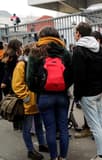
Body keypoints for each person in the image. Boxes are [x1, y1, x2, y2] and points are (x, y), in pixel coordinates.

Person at [29, 27, 72, 160]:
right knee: (64, 128)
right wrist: (64, 87)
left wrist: (40, 90)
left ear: (41, 37)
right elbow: (71, 75)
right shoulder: (64, 52)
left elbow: (29, 79)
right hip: (62, 96)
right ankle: (63, 157)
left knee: (50, 128)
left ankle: (53, 157)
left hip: (44, 96)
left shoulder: (35, 51)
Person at [73, 22, 102, 160]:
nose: (74, 35)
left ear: (79, 33)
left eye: (75, 32)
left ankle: (101, 156)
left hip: (87, 93)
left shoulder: (79, 50)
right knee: (100, 120)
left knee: (94, 125)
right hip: (99, 91)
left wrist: (77, 96)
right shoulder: (99, 48)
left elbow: (78, 76)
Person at [12, 43, 49, 160]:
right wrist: (26, 97)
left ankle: (42, 144)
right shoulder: (22, 64)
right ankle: (30, 150)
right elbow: (16, 85)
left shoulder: (34, 63)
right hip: (28, 102)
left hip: (36, 100)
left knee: (39, 124)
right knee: (27, 128)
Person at [1, 39, 23, 130]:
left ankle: (15, 123)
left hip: (9, 82)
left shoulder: (7, 55)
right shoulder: (15, 56)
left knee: (13, 102)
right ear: (16, 46)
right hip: (16, 80)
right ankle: (19, 123)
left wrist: (4, 81)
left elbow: (6, 70)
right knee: (18, 102)